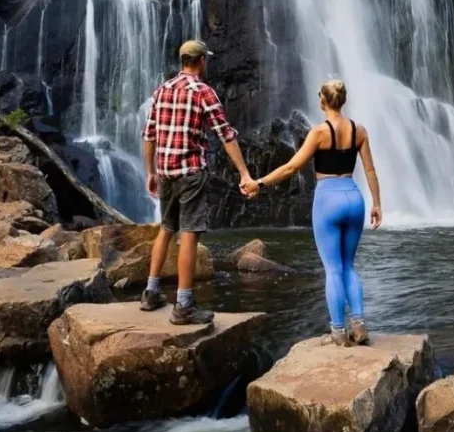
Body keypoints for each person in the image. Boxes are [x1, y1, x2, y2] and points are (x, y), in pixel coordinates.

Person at [242, 79, 382, 345]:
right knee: (349, 266)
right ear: (343, 100)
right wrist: (377, 204)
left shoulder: (319, 132)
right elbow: (370, 170)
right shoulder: (359, 130)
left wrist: (259, 183)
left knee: (333, 269)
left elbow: (291, 168)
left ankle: (338, 332)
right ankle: (360, 326)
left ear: (323, 101)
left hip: (328, 199)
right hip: (354, 198)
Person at [141, 39, 256, 325]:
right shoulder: (204, 92)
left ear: (182, 61)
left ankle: (150, 293)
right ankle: (184, 305)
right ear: (201, 61)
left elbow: (149, 135)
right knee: (190, 233)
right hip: (191, 172)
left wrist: (150, 173)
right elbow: (225, 135)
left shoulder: (161, 90)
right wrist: (244, 173)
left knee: (166, 229)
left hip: (165, 171)